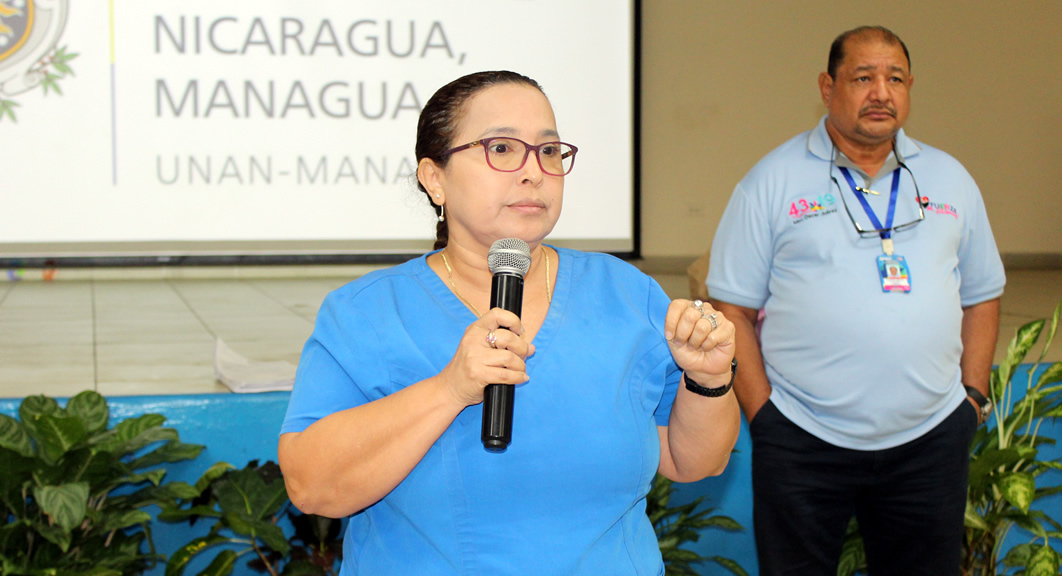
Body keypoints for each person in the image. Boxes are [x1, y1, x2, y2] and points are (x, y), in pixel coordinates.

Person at [279, 70, 741, 575]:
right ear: (435, 178)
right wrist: (449, 390)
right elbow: (311, 487)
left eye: (548, 151)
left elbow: (693, 462)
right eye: (501, 149)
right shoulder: (365, 312)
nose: (533, 171)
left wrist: (709, 379)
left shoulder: (627, 294)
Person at [706, 27, 1005, 576]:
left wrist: (972, 398)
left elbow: (982, 295)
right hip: (802, 440)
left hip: (930, 440)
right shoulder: (770, 181)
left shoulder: (950, 178)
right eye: (863, 77)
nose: (881, 93)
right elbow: (733, 311)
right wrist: (765, 417)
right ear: (827, 87)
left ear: (910, 87)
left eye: (894, 78)